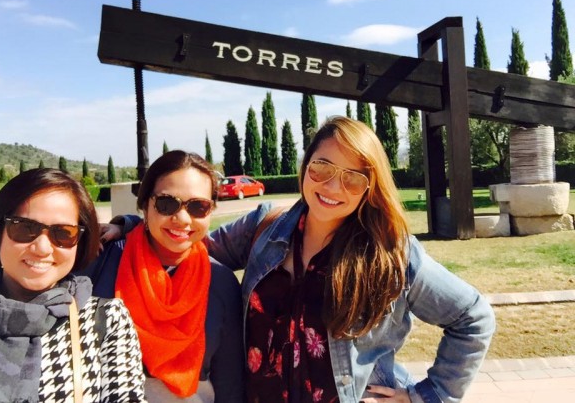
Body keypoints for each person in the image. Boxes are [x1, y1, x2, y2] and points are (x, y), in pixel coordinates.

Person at [206, 116, 496, 403]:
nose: (333, 187)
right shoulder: (264, 226)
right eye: (322, 167)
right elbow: (193, 252)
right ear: (306, 165)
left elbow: (473, 317)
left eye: (353, 179)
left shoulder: (391, 254)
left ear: (370, 188)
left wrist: (427, 395)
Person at [85, 150, 245, 403]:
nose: (182, 219)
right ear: (145, 205)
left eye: (198, 207)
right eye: (167, 204)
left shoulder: (220, 282)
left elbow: (230, 384)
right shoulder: (102, 261)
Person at [0, 168, 146, 403]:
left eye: (63, 233)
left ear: (79, 243)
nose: (42, 248)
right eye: (24, 227)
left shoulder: (105, 319)